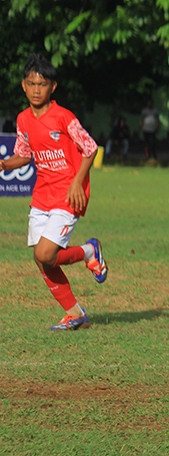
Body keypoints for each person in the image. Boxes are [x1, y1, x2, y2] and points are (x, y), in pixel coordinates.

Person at [0, 54, 108, 331]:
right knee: (41, 260)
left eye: (42, 84)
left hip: (68, 195)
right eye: (31, 83)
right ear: (23, 86)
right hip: (42, 196)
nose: (36, 89)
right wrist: (4, 164)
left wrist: (77, 182)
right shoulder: (23, 119)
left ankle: (88, 251)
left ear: (53, 87)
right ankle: (75, 314)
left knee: (46, 254)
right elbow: (24, 154)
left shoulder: (63, 117)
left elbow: (90, 148)